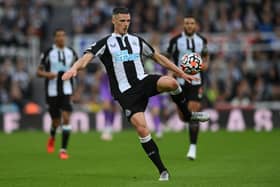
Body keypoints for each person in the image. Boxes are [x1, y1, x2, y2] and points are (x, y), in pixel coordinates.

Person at [62, 7, 209, 181]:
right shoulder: (105, 42)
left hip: (143, 81)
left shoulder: (136, 40)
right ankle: (163, 170)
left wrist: (182, 73)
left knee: (172, 82)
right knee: (142, 129)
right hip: (126, 93)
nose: (126, 24)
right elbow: (86, 58)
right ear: (114, 21)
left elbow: (158, 57)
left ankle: (188, 115)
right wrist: (73, 68)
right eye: (122, 21)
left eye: (128, 21)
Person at [166, 15, 209, 160]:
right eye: (187, 23)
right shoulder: (175, 41)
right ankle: (193, 118)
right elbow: (168, 58)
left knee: (192, 112)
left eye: (192, 23)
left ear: (196, 25)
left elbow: (206, 58)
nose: (189, 25)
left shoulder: (202, 41)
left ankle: (192, 148)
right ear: (183, 25)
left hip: (196, 82)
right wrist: (170, 74)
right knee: (184, 116)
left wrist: (201, 65)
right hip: (180, 81)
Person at [37, 28, 78, 160]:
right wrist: (47, 74)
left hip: (66, 90)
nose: (61, 38)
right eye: (58, 36)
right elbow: (38, 72)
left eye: (63, 36)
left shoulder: (71, 52)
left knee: (66, 118)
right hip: (52, 91)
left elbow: (78, 66)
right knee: (56, 121)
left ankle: (63, 150)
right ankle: (52, 136)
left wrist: (74, 71)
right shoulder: (48, 52)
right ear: (55, 38)